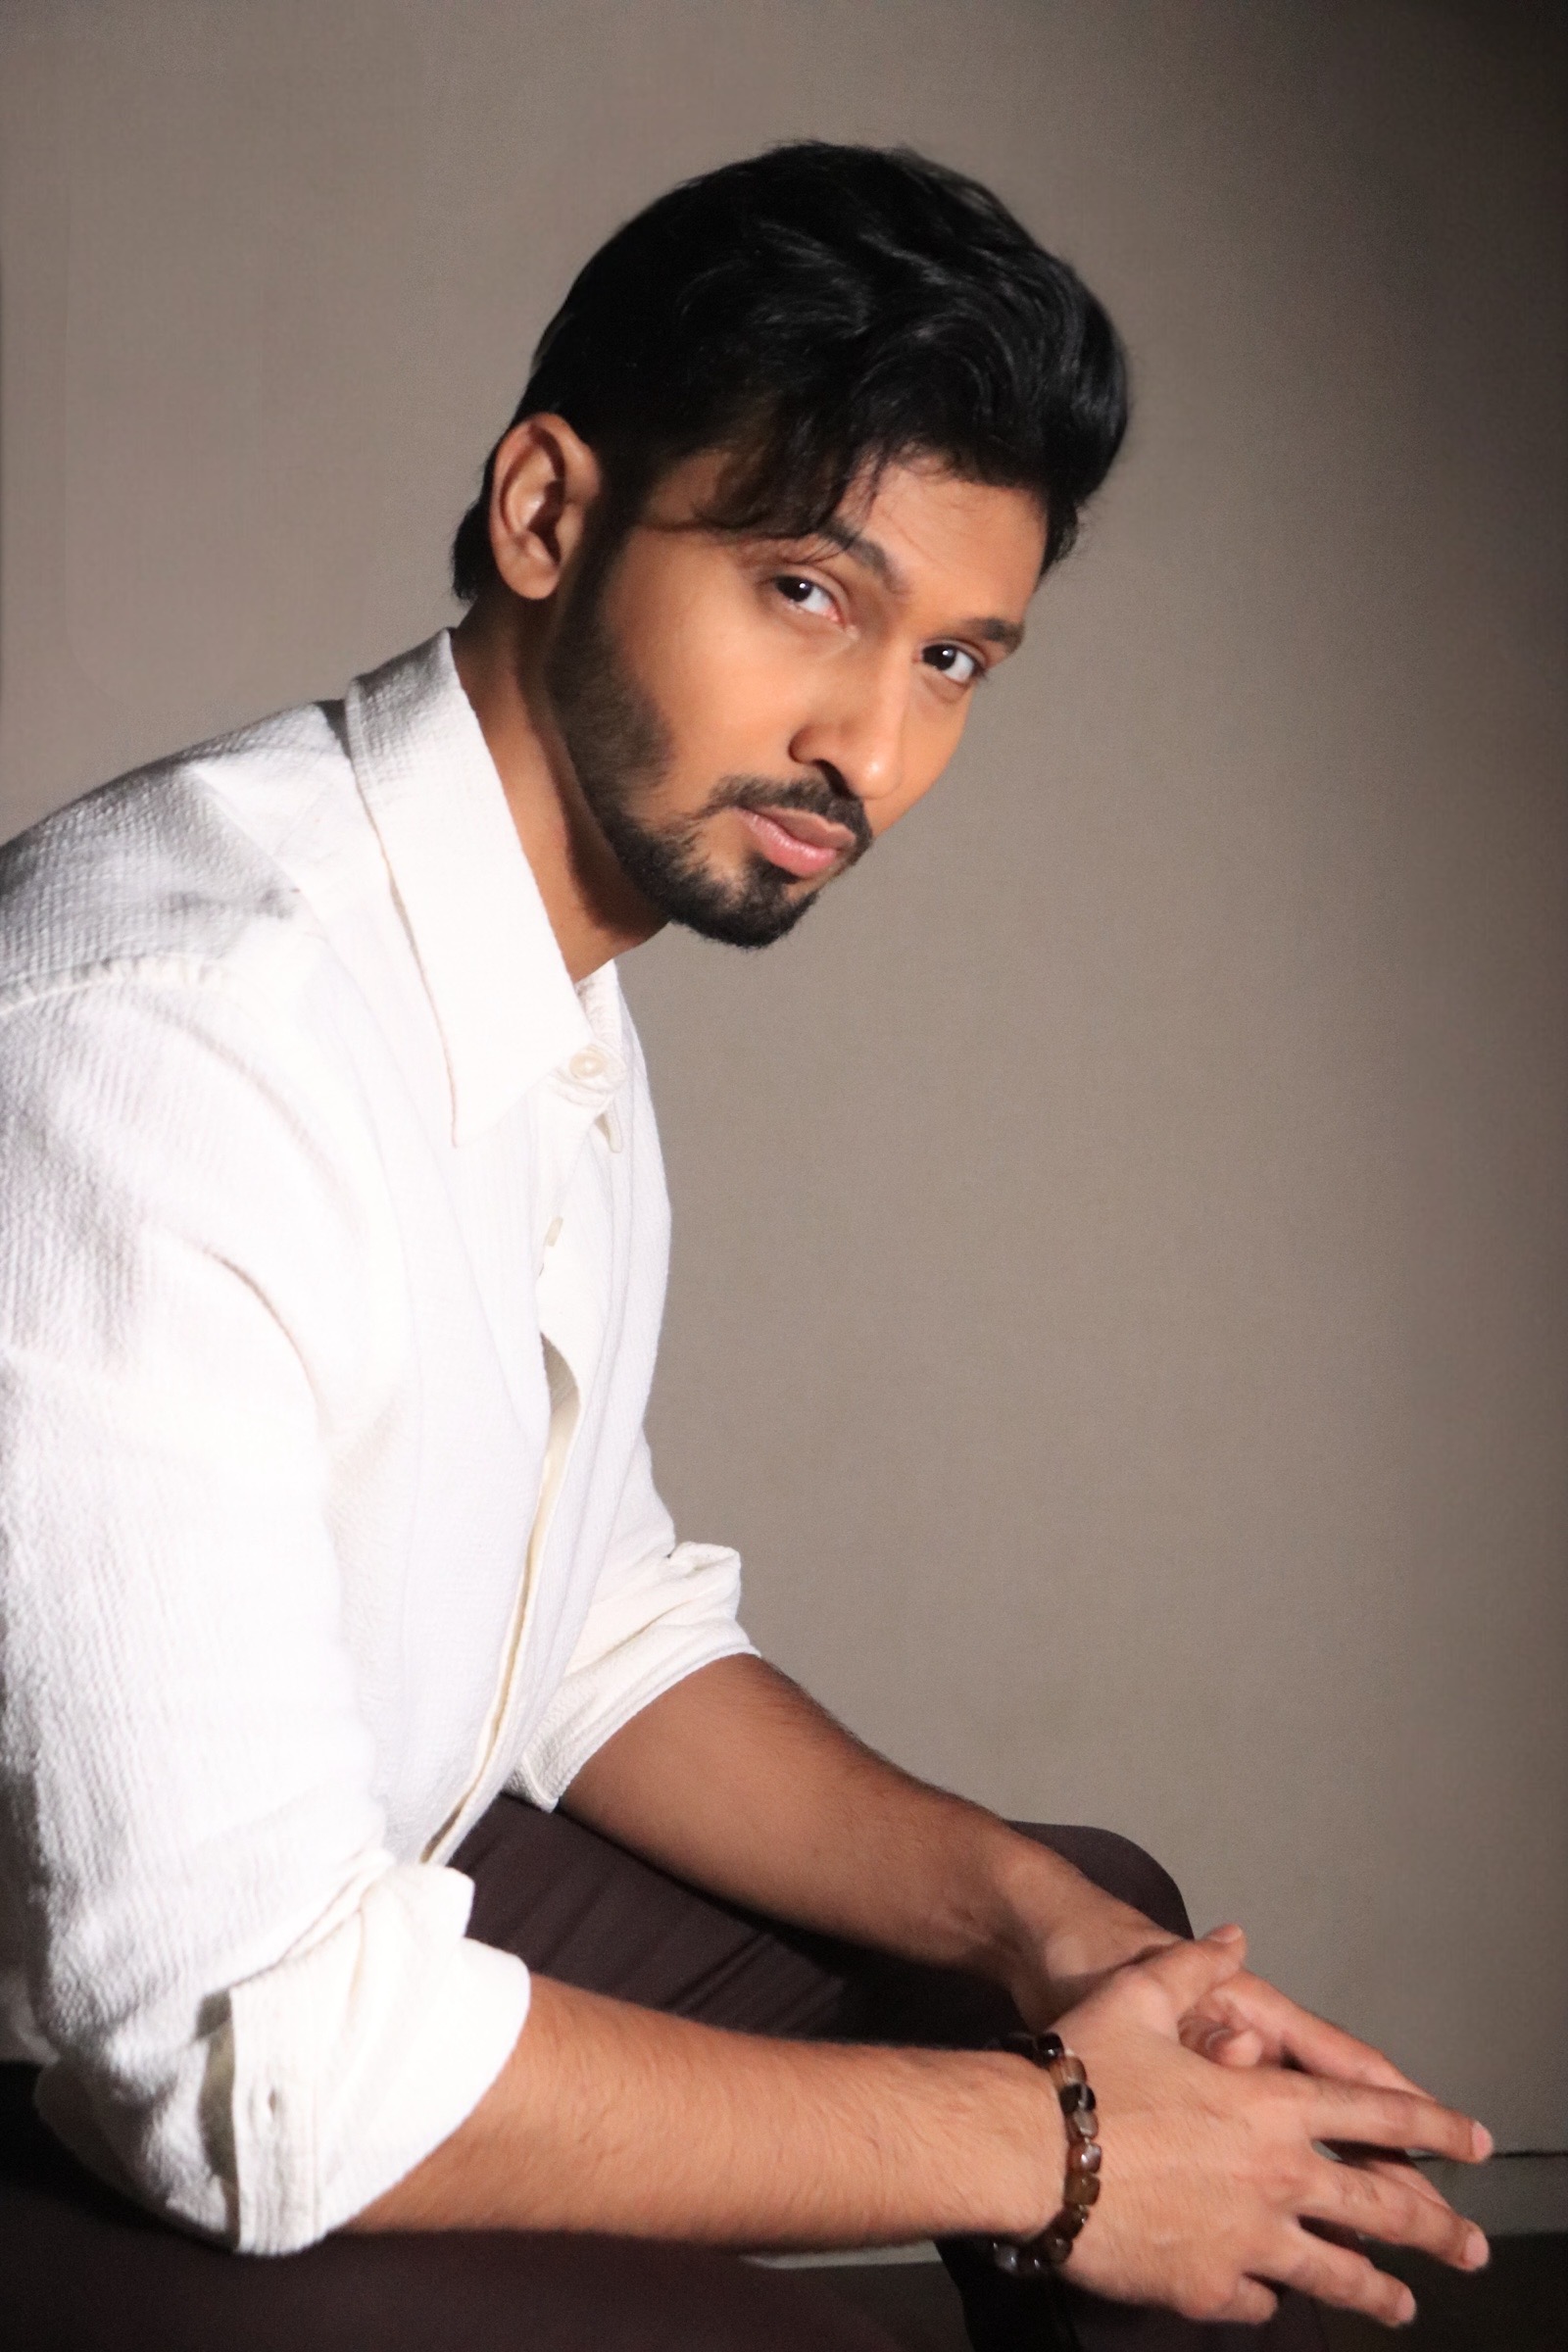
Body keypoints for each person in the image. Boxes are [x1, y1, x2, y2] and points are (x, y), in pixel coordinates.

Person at [0, 142, 1490, 2352]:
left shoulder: (530, 966)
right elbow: (255, 2056)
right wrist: (1065, 2151)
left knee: (1106, 1936)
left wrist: (1033, 1928)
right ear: (545, 513)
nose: (868, 744)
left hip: (344, 1904)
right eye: (806, 590)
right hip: (121, 2062)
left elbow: (577, 1626)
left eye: (954, 656)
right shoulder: (169, 1045)